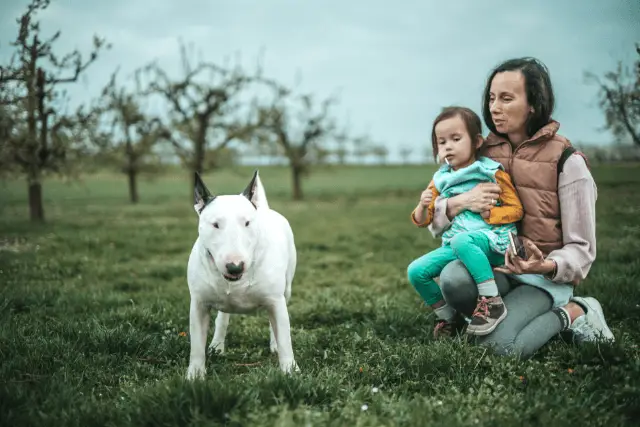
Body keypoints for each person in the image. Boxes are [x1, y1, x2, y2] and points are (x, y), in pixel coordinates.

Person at [427, 57, 614, 357]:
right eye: (491, 98)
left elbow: (582, 250)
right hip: (495, 269)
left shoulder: (568, 162)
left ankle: (576, 311)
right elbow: (436, 224)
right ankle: (493, 314)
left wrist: (545, 266)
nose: (494, 108)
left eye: (506, 98)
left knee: (500, 348)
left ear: (533, 104)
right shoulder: (480, 152)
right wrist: (460, 202)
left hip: (541, 279)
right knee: (452, 278)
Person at [408, 106, 524, 337]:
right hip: (460, 245)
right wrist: (422, 205)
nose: (447, 146)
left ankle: (491, 301)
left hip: (494, 242)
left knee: (462, 240)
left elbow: (516, 209)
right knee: (416, 271)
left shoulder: (490, 171)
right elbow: (422, 221)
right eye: (441, 142)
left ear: (477, 141)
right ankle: (450, 319)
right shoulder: (440, 179)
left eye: (456, 139)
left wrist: (491, 215)